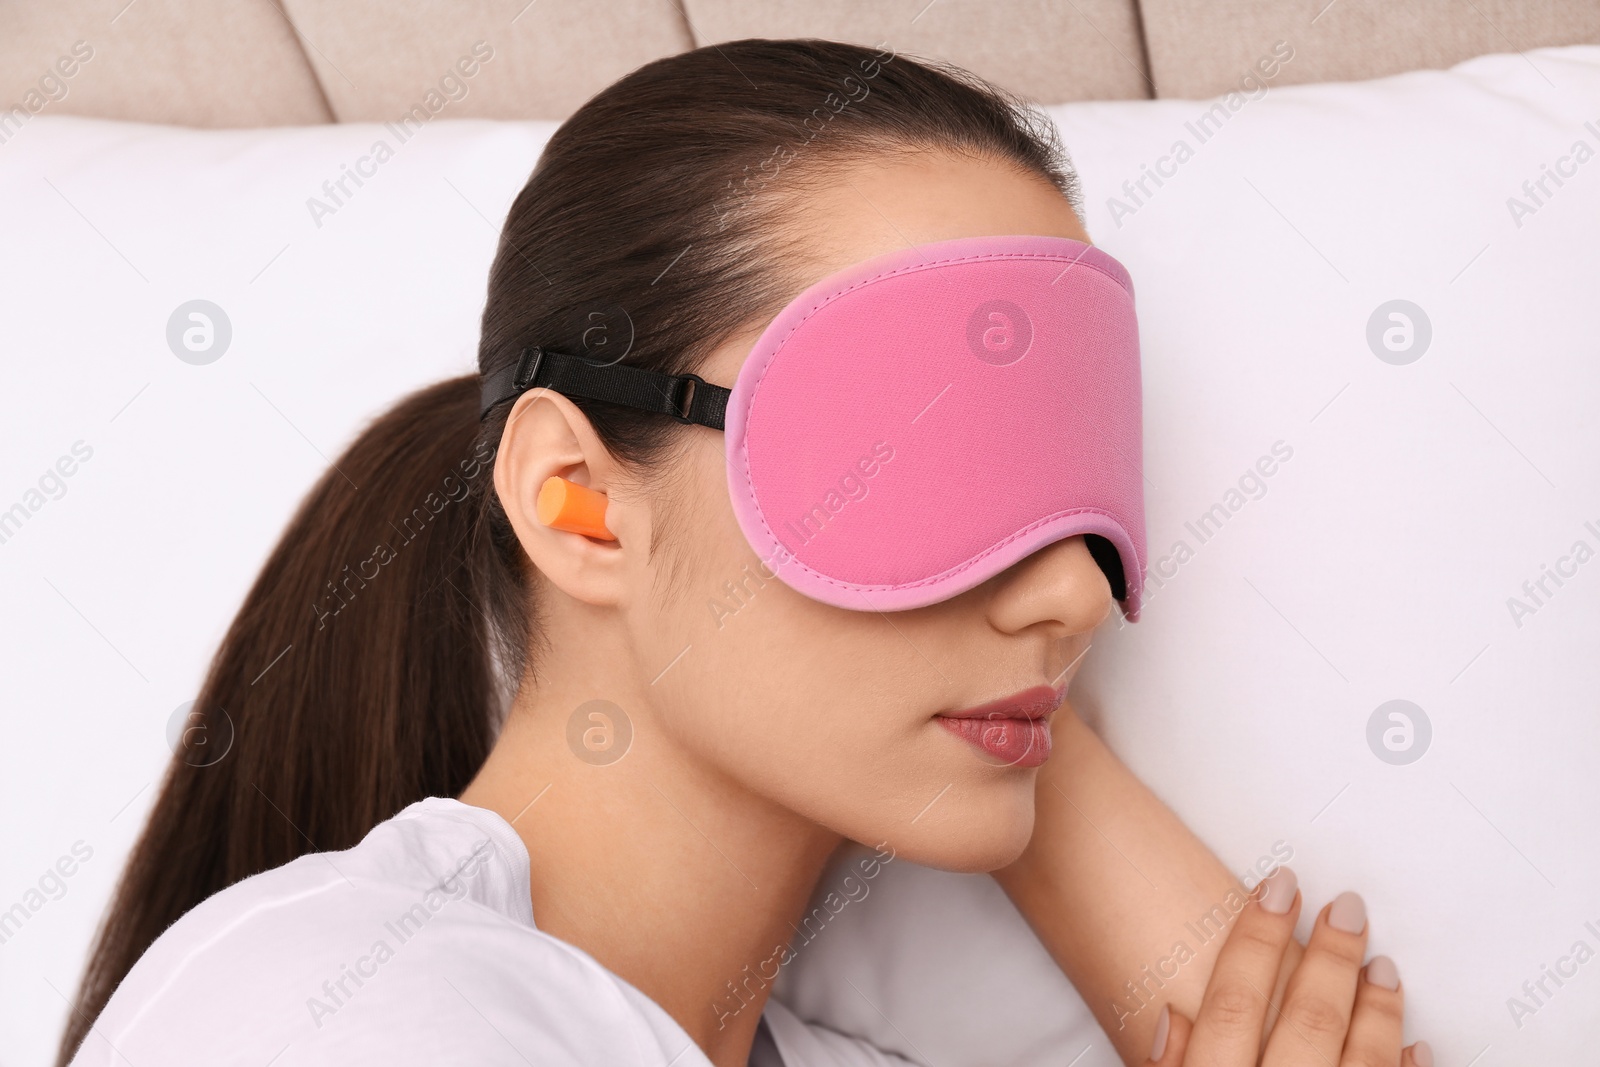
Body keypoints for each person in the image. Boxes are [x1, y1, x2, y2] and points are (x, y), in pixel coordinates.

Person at [58, 38, 1431, 1067]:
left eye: (1078, 491)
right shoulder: (336, 1007)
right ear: (581, 503)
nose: (1079, 594)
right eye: (934, 454)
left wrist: (1002, 697)